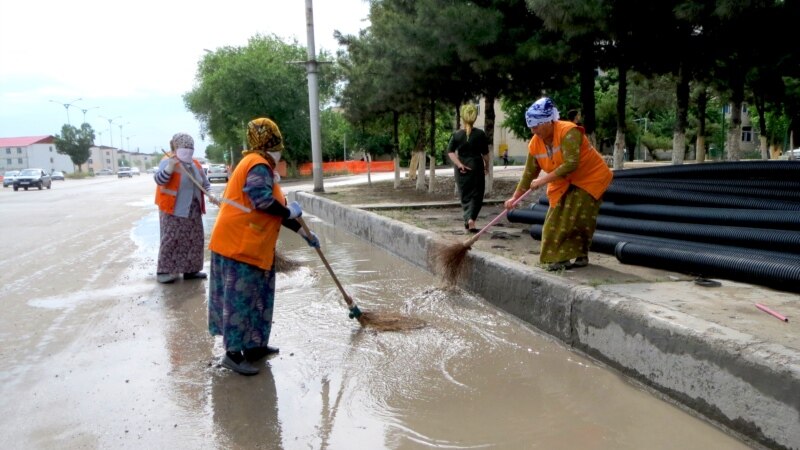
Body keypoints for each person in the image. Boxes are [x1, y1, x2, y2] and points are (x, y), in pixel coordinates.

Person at [207, 117, 320, 376]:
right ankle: (233, 354)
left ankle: (255, 345)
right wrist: (290, 212)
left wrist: (305, 232)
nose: (281, 149)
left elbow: (278, 212)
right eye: (278, 143)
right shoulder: (257, 164)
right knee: (240, 301)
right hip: (238, 246)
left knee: (259, 297)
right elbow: (263, 203)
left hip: (254, 247)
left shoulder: (264, 167)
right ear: (270, 143)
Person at [504, 97, 612, 271]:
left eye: (537, 126)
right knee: (554, 221)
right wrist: (514, 198)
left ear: (548, 122)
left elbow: (571, 164)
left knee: (578, 217)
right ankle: (557, 259)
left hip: (590, 178)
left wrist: (542, 181)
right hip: (562, 181)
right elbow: (528, 174)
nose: (533, 130)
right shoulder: (535, 143)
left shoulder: (569, 132)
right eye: (531, 127)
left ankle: (577, 255)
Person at [154, 133, 218, 284]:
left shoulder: (195, 164)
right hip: (172, 209)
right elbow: (159, 180)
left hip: (193, 209)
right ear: (175, 148)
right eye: (184, 149)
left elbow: (204, 183)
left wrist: (210, 193)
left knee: (193, 239)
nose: (188, 152)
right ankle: (164, 271)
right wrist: (170, 168)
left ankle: (191, 270)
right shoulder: (167, 161)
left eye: (190, 149)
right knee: (171, 239)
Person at [447, 104, 490, 233]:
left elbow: (450, 151)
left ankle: (468, 219)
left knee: (465, 195)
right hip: (476, 166)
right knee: (477, 195)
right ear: (474, 118)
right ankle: (471, 219)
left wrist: (459, 164)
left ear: (463, 117)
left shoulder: (456, 135)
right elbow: (485, 154)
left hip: (461, 169)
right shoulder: (480, 134)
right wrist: (486, 166)